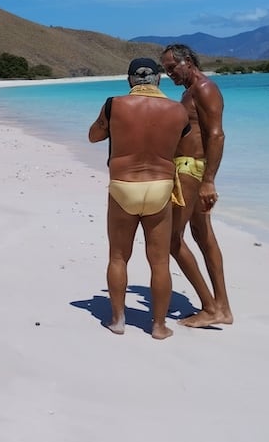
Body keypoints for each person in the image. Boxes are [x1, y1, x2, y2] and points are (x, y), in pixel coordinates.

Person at [88, 58, 190, 340]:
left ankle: (118, 320)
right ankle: (158, 326)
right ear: (159, 79)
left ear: (130, 80)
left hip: (124, 186)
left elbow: (94, 136)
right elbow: (181, 142)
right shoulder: (178, 109)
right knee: (159, 263)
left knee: (118, 256)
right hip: (160, 187)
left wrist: (112, 125)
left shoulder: (114, 104)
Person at [160, 43, 233, 327]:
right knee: (203, 237)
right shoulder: (189, 92)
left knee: (171, 239)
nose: (169, 74)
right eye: (165, 70)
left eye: (172, 68)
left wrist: (209, 181)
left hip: (193, 170)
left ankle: (210, 306)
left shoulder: (204, 88)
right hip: (189, 169)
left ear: (187, 61)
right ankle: (222, 308)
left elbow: (216, 136)